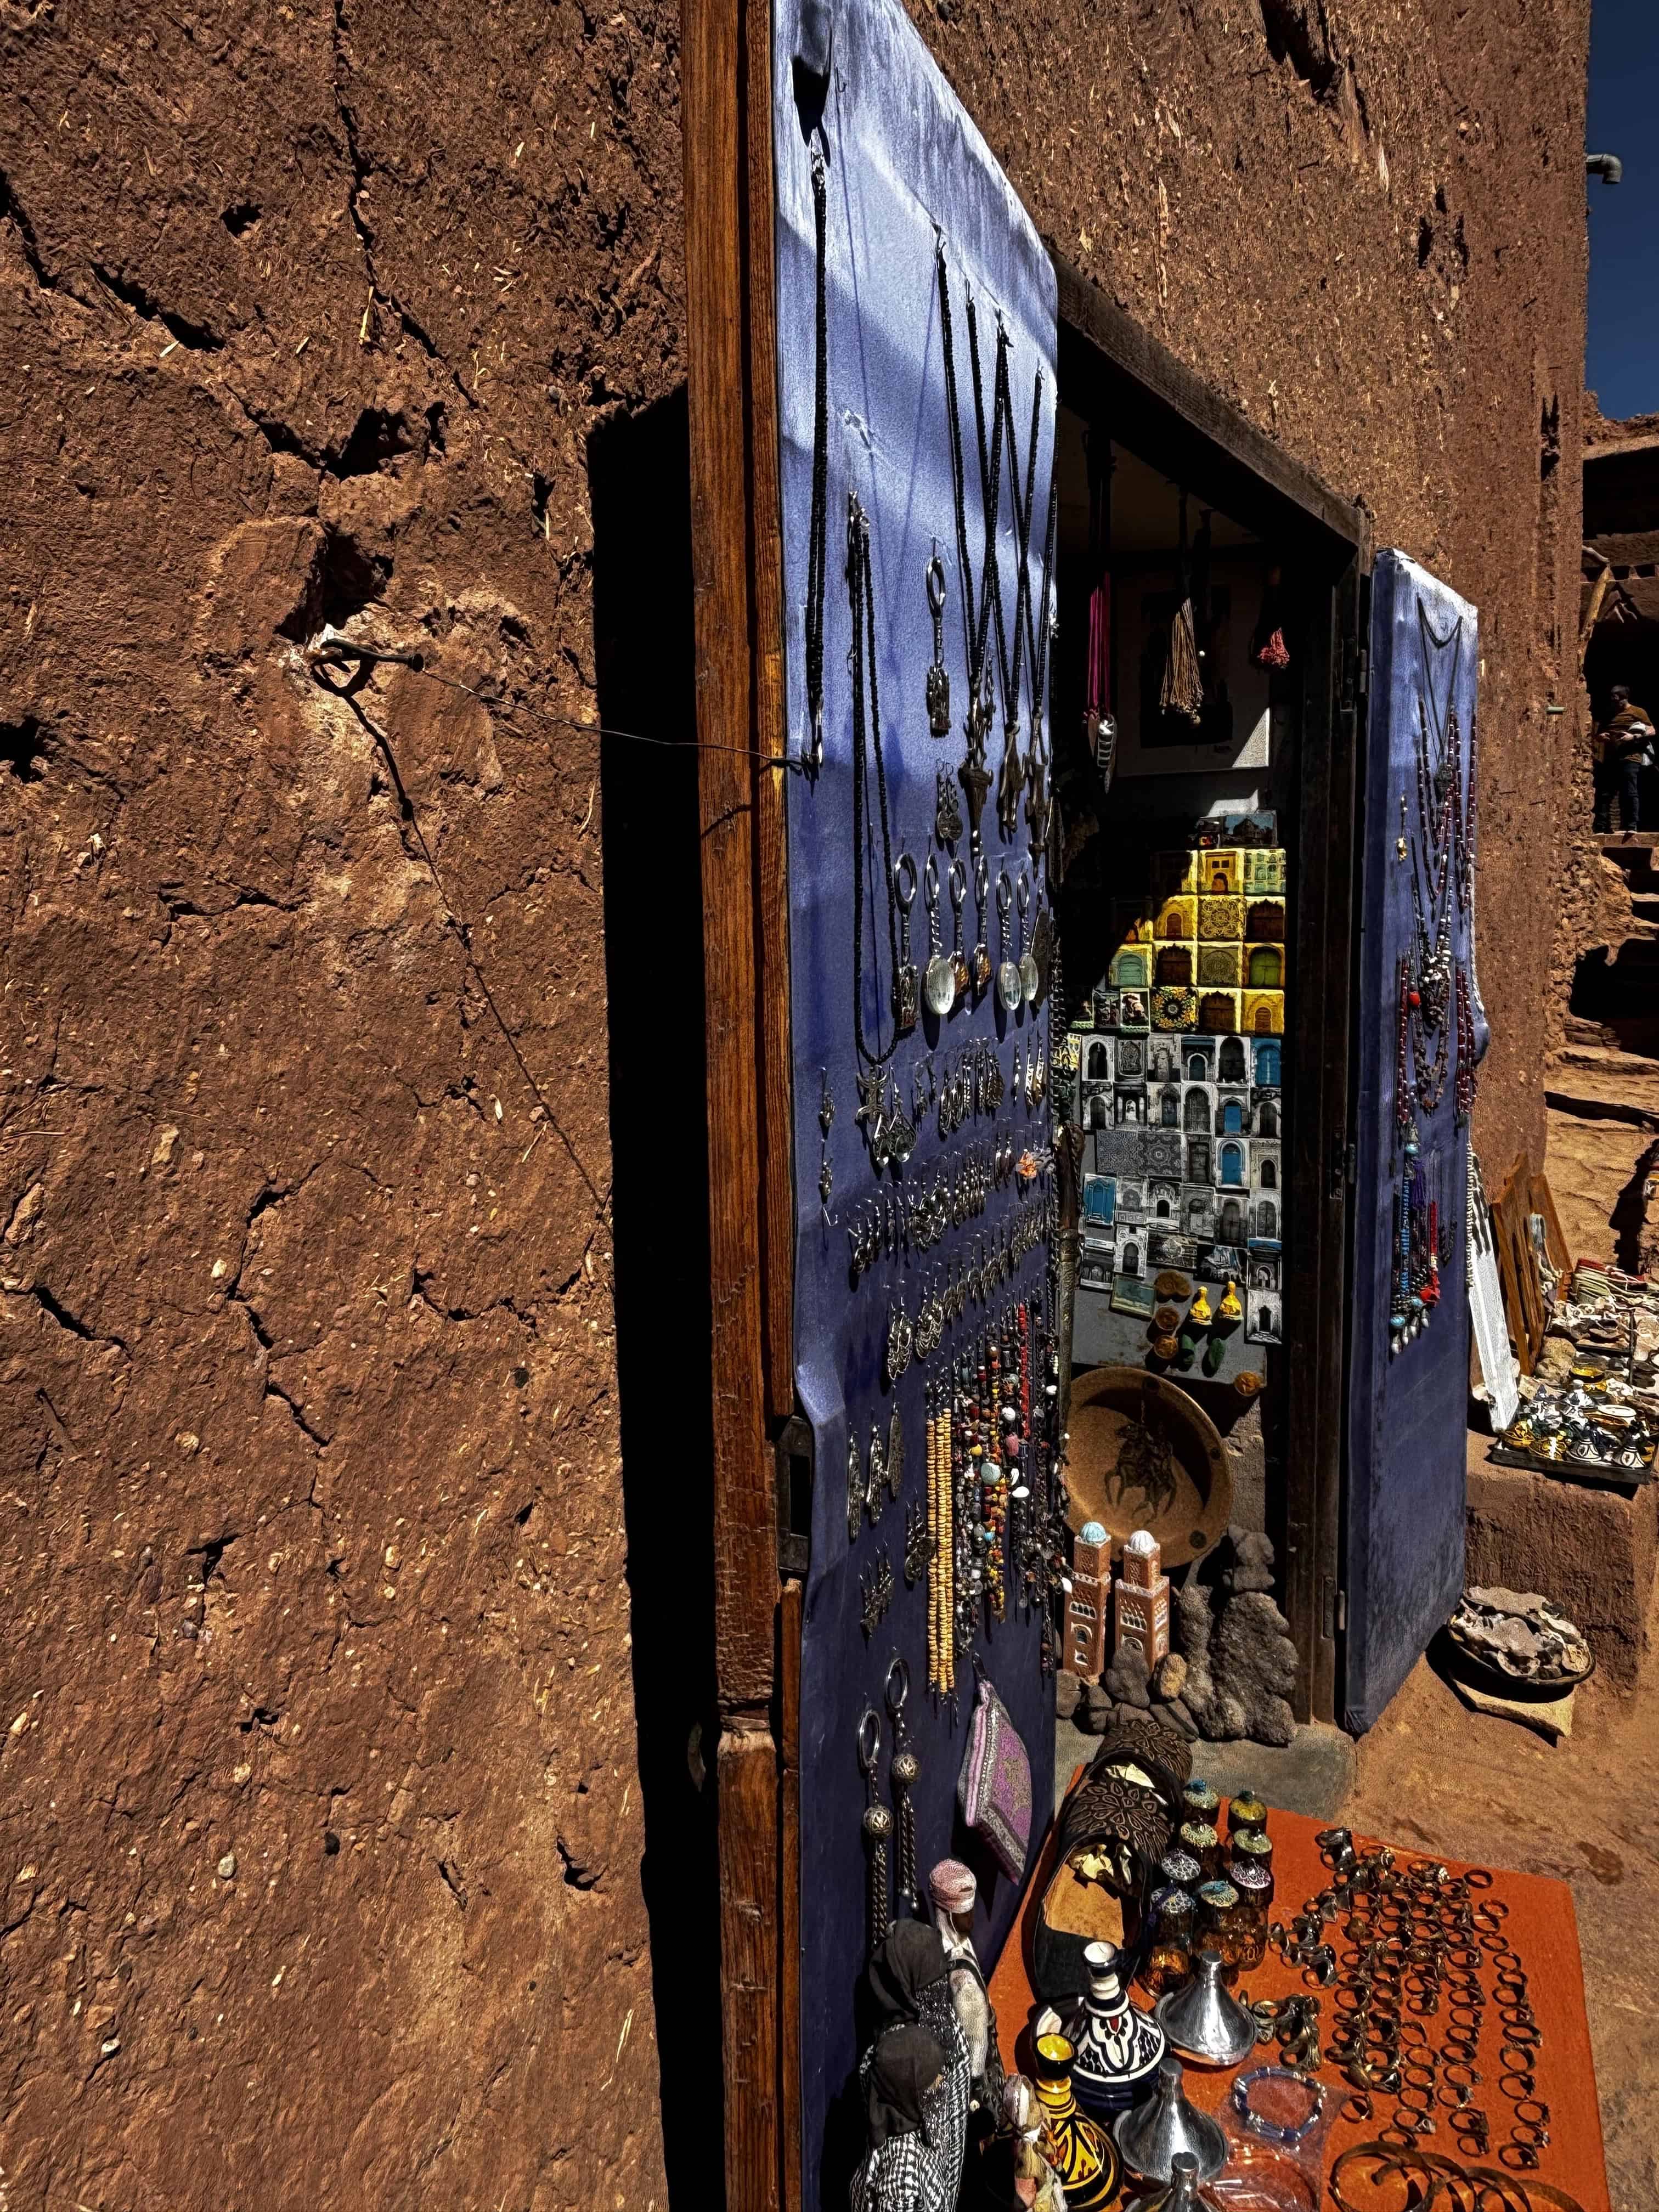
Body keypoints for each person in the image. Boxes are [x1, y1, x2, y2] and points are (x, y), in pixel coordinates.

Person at [1593, 684, 1655, 834]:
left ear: (1624, 699)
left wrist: (1633, 737)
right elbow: (1599, 733)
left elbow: (1652, 730)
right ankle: (1602, 826)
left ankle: (1631, 826)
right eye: (1613, 700)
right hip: (1611, 757)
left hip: (1631, 756)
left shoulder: (1638, 712)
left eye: (1617, 701)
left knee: (1630, 791)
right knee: (1606, 792)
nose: (1615, 704)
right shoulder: (1609, 714)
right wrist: (1601, 737)